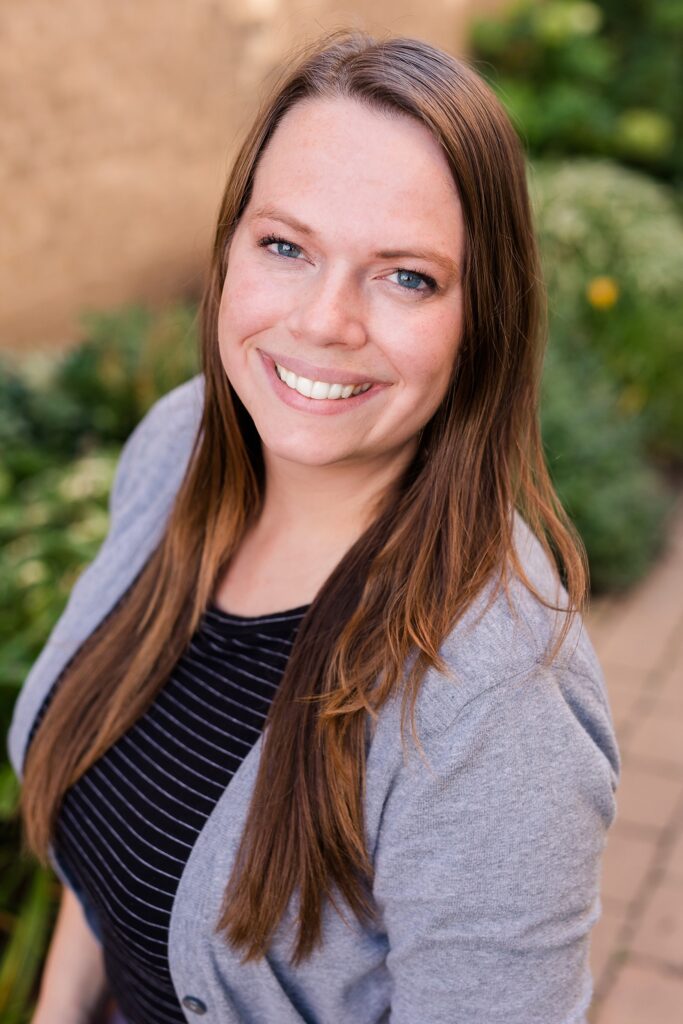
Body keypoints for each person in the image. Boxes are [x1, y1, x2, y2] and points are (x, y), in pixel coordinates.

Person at [8, 26, 620, 1024]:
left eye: (406, 275)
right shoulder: (178, 446)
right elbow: (107, 826)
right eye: (285, 246)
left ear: (483, 319)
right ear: (229, 248)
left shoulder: (496, 701)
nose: (325, 320)